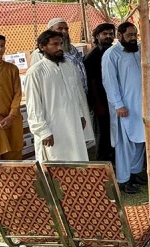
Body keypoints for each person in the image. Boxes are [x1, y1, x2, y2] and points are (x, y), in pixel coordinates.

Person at [25, 30, 93, 164]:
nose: (59, 47)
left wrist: (80, 115)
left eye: (61, 44)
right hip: (53, 128)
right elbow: (33, 106)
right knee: (57, 164)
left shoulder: (68, 65)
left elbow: (74, 94)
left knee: (78, 160)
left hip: (73, 122)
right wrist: (43, 132)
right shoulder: (35, 72)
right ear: (42, 47)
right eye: (55, 44)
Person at [102, 22, 147, 194]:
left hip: (141, 106)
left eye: (135, 34)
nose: (133, 38)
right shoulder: (111, 54)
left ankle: (135, 173)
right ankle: (123, 180)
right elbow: (109, 81)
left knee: (140, 141)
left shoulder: (138, 50)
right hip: (124, 108)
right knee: (125, 145)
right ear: (119, 36)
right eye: (129, 35)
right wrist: (118, 104)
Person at [84, 23, 116, 163]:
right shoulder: (92, 56)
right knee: (103, 134)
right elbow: (91, 82)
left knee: (114, 133)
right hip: (101, 102)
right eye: (105, 34)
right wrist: (98, 104)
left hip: (114, 100)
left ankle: (114, 161)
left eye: (111, 34)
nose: (108, 36)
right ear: (97, 36)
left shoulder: (114, 52)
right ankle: (102, 163)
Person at [30, 18, 87, 92]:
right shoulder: (40, 53)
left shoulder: (72, 49)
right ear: (50, 31)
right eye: (60, 29)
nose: (64, 31)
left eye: (66, 29)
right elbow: (37, 78)